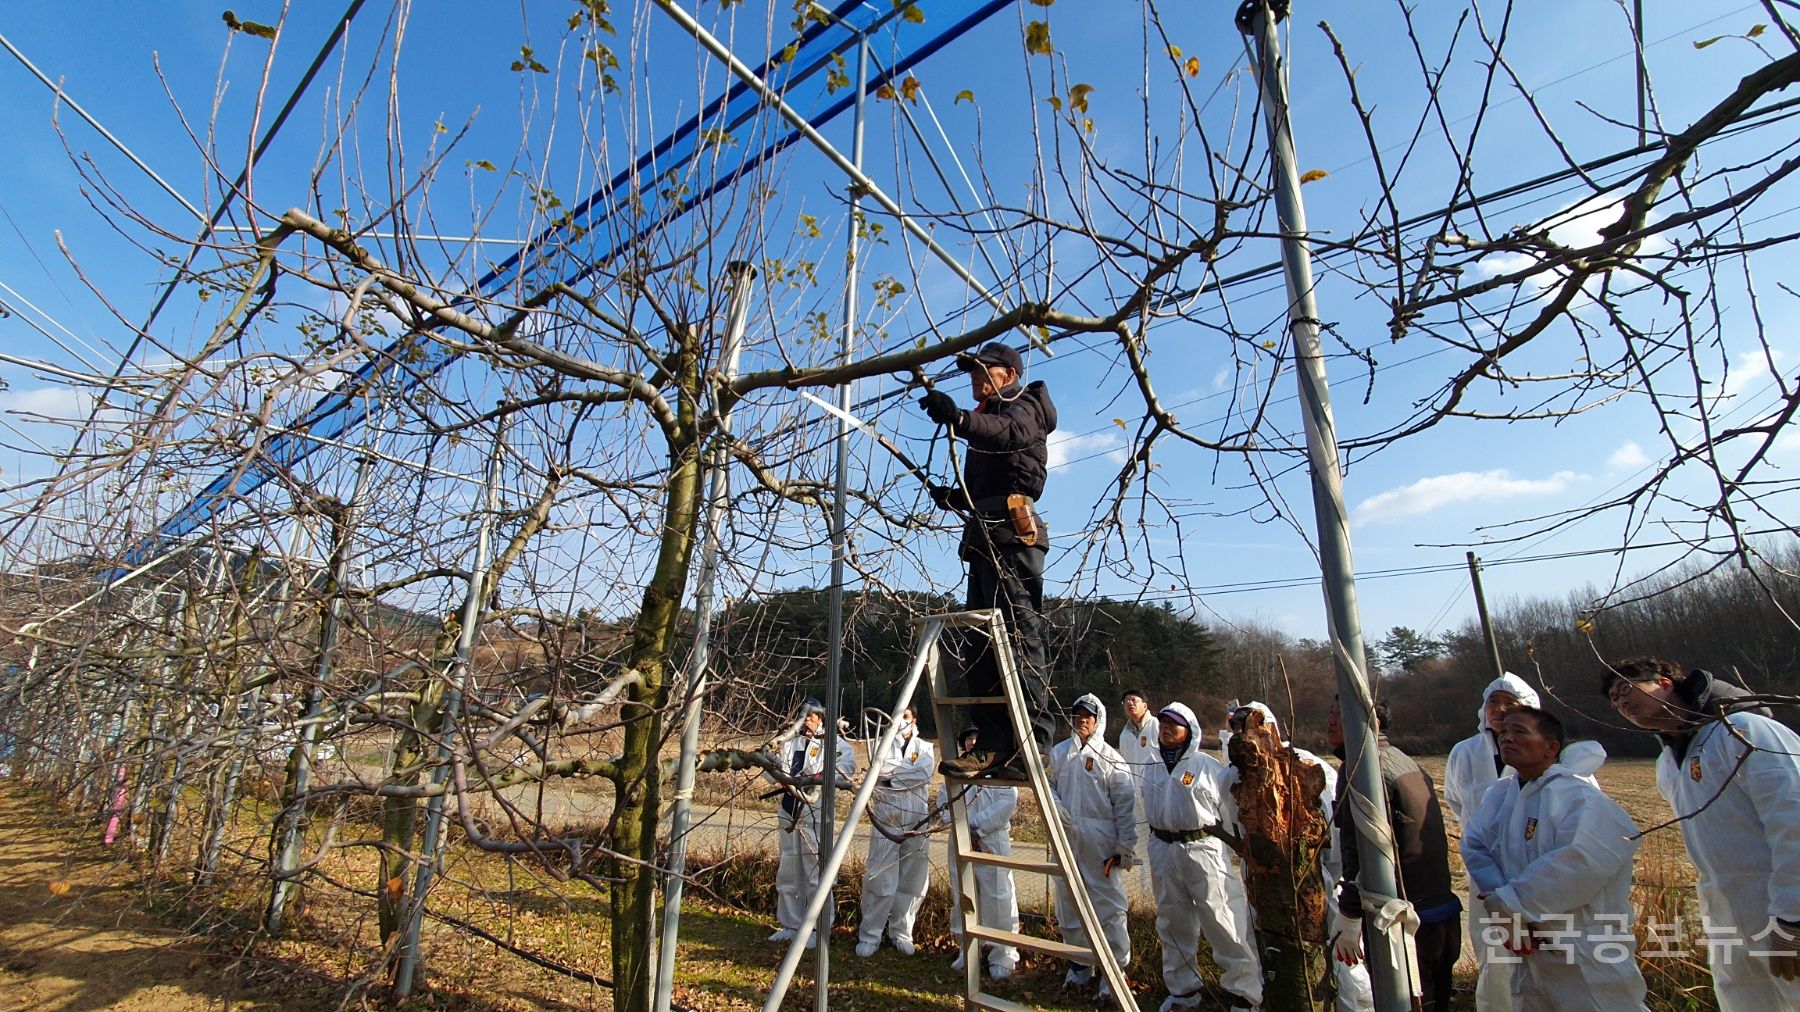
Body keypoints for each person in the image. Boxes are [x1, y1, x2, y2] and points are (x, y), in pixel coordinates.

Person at [1602, 657, 1800, 1010]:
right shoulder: (1669, 763)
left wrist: (1792, 915)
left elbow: (1793, 818)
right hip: (1728, 914)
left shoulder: (1741, 730)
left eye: (1625, 688)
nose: (1621, 702)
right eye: (1614, 699)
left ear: (1664, 682)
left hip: (1782, 907)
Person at [920, 341, 1057, 779]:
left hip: (1012, 537)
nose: (976, 378)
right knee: (981, 645)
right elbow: (994, 480)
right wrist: (955, 496)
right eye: (973, 372)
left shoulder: (1023, 406)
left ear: (1010, 374)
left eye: (985, 370)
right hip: (985, 534)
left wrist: (960, 419)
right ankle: (995, 744)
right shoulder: (992, 416)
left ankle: (1034, 745)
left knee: (1019, 638)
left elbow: (1010, 435)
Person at [1460, 707, 1649, 1011]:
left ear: (1551, 748)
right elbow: (1474, 845)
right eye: (1504, 731)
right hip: (1526, 947)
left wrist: (1511, 904)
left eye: (1520, 731)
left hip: (1583, 948)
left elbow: (1580, 864)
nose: (1507, 738)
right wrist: (1503, 904)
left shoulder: (1579, 797)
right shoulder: (1499, 795)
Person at [1227, 702, 1372, 1012]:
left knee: (1333, 951)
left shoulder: (1302, 763)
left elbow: (1331, 822)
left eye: (1251, 728)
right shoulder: (1236, 771)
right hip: (1262, 876)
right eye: (1239, 730)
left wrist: (1323, 872)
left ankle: (1352, 1005)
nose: (1246, 736)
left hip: (1313, 876)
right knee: (1272, 947)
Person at [1327, 697, 1461, 1012]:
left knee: (1407, 1002)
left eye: (1338, 714)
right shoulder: (1400, 759)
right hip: (1438, 909)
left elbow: (1360, 846)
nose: (1330, 722)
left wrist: (1349, 914)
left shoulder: (1364, 769)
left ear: (1368, 723)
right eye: (1330, 714)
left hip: (1404, 918)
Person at [1144, 702, 1262, 1012]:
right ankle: (1183, 991)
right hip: (1163, 849)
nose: (1167, 728)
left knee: (1223, 918)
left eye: (1175, 724)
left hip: (1202, 849)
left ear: (1190, 730)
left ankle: (1245, 993)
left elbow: (1231, 811)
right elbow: (1138, 808)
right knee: (1172, 922)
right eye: (1163, 722)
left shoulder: (1207, 767)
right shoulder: (1150, 765)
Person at [1443, 671, 1539, 1010]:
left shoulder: (1546, 753)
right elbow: (1456, 800)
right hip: (1483, 874)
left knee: (1541, 957)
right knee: (1493, 956)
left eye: (1508, 703)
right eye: (1492, 703)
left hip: (1535, 875)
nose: (1499, 710)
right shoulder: (1465, 753)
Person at [1047, 693, 1137, 999]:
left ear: (1098, 721)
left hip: (1101, 841)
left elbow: (1125, 806)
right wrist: (1061, 815)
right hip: (1066, 838)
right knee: (1068, 901)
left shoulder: (1112, 759)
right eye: (1077, 715)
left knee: (1109, 906)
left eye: (1088, 716)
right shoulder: (1059, 753)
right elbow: (1050, 788)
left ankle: (1114, 971)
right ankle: (1080, 964)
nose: (1082, 720)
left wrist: (1124, 846)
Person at [767, 698, 857, 945]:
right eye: (804, 716)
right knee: (789, 868)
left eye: (813, 716)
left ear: (821, 718)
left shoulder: (833, 742)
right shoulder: (789, 741)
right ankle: (790, 923)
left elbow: (847, 767)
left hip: (815, 810)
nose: (808, 720)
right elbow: (770, 772)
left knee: (816, 871)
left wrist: (817, 777)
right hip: (788, 806)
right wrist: (775, 767)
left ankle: (818, 928)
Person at [939, 726, 1021, 980]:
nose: (973, 741)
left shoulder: (1000, 770)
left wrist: (977, 828)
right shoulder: (956, 773)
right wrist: (963, 828)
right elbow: (944, 805)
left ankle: (1002, 955)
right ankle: (968, 950)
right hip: (960, 839)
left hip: (991, 840)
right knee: (964, 895)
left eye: (978, 737)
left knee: (998, 895)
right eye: (969, 739)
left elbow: (1007, 802)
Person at [857, 707, 936, 957]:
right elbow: (876, 769)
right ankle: (870, 935)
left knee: (913, 878)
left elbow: (924, 772)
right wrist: (893, 774)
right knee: (880, 874)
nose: (902, 722)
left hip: (917, 815)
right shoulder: (882, 744)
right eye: (898, 717)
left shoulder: (925, 747)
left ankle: (901, 932)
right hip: (886, 813)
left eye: (907, 717)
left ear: (915, 720)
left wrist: (891, 776)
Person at [1117, 688, 1156, 900]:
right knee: (1143, 850)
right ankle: (1148, 900)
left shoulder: (1156, 726)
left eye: (1134, 700)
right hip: (1135, 799)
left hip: (1154, 795)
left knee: (1160, 848)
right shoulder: (1124, 735)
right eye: (1126, 701)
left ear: (1145, 705)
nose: (1130, 703)